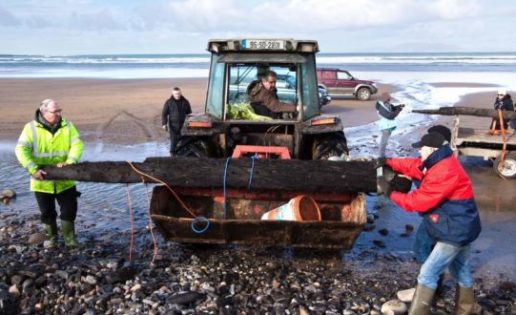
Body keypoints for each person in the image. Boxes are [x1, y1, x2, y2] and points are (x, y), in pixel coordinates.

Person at [378, 132, 481, 315]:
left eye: (422, 149)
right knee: (461, 268)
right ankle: (465, 310)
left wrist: (390, 193)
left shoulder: (444, 171)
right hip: (455, 222)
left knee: (427, 273)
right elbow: (413, 165)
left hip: (455, 229)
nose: (419, 152)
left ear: (432, 149)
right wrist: (388, 161)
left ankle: (422, 306)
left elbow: (417, 202)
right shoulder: (436, 162)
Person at [15, 99, 84, 248]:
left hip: (66, 179)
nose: (59, 114)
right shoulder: (30, 128)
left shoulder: (67, 125)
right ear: (43, 112)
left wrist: (71, 161)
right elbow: (21, 150)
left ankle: (70, 240)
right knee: (47, 212)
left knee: (69, 210)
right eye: (55, 112)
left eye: (60, 110)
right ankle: (52, 239)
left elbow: (77, 144)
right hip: (41, 181)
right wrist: (33, 169)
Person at [161, 87, 192, 154]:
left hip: (184, 125)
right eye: (176, 94)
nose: (177, 95)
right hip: (173, 125)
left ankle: (182, 153)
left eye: (178, 93)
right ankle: (172, 154)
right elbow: (164, 114)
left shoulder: (185, 101)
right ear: (173, 93)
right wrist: (164, 124)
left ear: (181, 93)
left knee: (186, 139)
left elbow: (189, 113)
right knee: (173, 141)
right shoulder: (168, 102)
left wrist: (189, 123)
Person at [376, 92, 404, 157]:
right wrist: (398, 111)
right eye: (389, 98)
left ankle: (382, 155)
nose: (390, 99)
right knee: (383, 142)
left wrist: (399, 106)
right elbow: (390, 116)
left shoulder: (386, 104)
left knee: (384, 142)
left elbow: (392, 108)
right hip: (385, 126)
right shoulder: (382, 106)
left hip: (387, 126)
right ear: (386, 98)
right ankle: (381, 156)